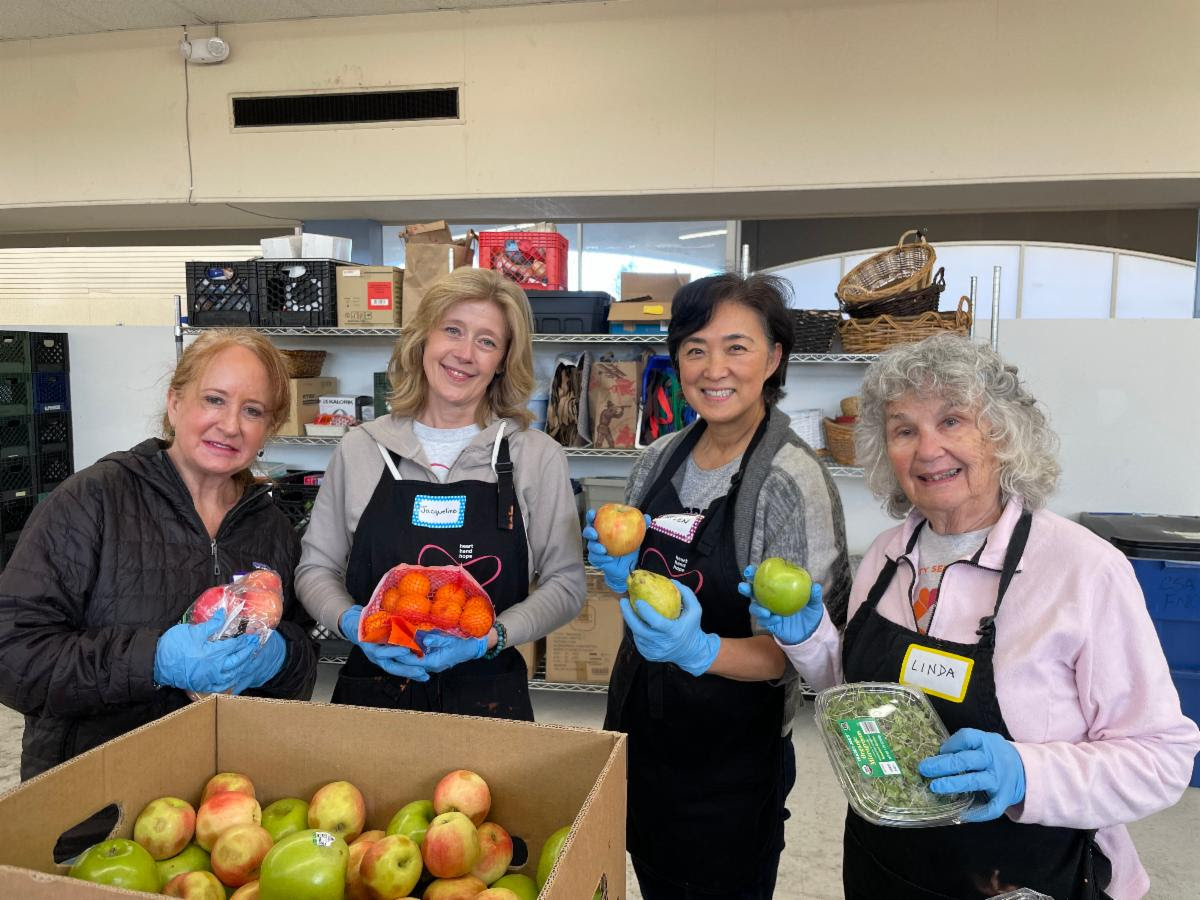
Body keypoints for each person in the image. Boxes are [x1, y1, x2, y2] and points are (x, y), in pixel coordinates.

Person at [760, 333, 1200, 899]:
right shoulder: (887, 555)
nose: (927, 449)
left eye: (952, 421)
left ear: (1003, 435)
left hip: (1022, 878)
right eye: (903, 430)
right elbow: (869, 702)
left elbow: (1162, 758)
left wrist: (1026, 774)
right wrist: (811, 639)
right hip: (885, 867)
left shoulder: (1082, 570)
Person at [583, 273, 853, 899]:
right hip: (640, 729)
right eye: (695, 348)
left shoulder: (790, 481)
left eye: (737, 346)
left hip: (729, 760)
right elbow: (648, 603)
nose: (714, 368)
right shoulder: (660, 457)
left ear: (774, 358)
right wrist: (624, 581)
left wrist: (699, 651)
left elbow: (800, 652)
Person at [0, 329, 319, 782]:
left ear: (268, 428)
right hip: (93, 798)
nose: (230, 425)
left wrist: (282, 657)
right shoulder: (95, 500)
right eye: (214, 400)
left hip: (223, 803)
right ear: (175, 403)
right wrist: (154, 659)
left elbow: (304, 655)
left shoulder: (271, 529)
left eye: (252, 411)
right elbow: (13, 654)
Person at [296, 267, 585, 720]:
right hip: (372, 697)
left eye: (486, 341)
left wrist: (495, 636)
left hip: (490, 698)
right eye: (453, 330)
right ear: (424, 339)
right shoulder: (362, 449)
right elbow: (316, 569)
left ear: (504, 360)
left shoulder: (534, 456)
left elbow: (567, 585)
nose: (465, 353)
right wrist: (354, 624)